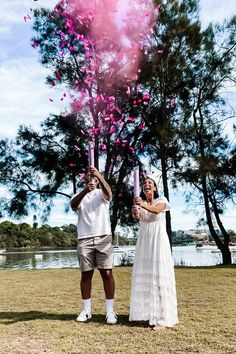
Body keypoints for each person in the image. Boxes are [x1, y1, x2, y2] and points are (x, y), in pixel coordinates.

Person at [129, 177, 178, 330]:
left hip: (158, 241)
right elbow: (136, 217)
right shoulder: (141, 204)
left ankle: (164, 318)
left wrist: (141, 204)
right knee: (148, 275)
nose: (146, 185)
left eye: (150, 183)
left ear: (155, 188)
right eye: (144, 184)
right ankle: (149, 313)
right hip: (145, 241)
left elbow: (157, 210)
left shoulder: (161, 200)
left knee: (159, 275)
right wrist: (135, 210)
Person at [70, 166, 117, 325]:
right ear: (84, 179)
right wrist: (85, 191)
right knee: (86, 275)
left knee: (107, 273)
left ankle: (110, 312)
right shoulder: (79, 195)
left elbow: (109, 193)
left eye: (95, 176)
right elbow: (73, 206)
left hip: (103, 237)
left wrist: (100, 177)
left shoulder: (102, 193)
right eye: (89, 176)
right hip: (84, 239)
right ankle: (87, 310)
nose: (92, 178)